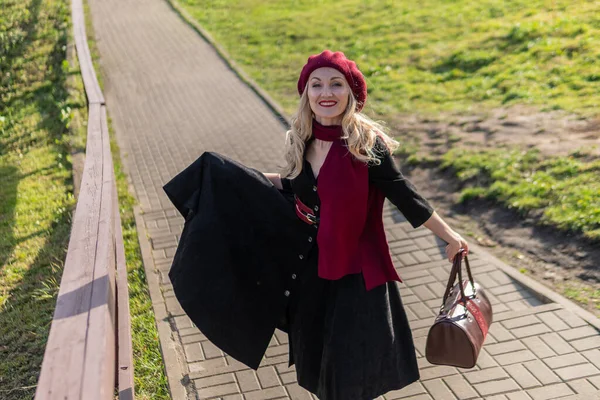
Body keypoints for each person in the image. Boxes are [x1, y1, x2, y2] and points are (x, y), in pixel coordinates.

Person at [163, 50, 469, 400]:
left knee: (350, 366)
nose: (326, 92)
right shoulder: (304, 139)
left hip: (357, 275)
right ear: (306, 93)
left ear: (351, 93)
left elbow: (406, 196)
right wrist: (237, 179)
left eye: (336, 84)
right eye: (317, 84)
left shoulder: (367, 146)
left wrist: (450, 236)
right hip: (314, 271)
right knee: (320, 361)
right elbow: (300, 185)